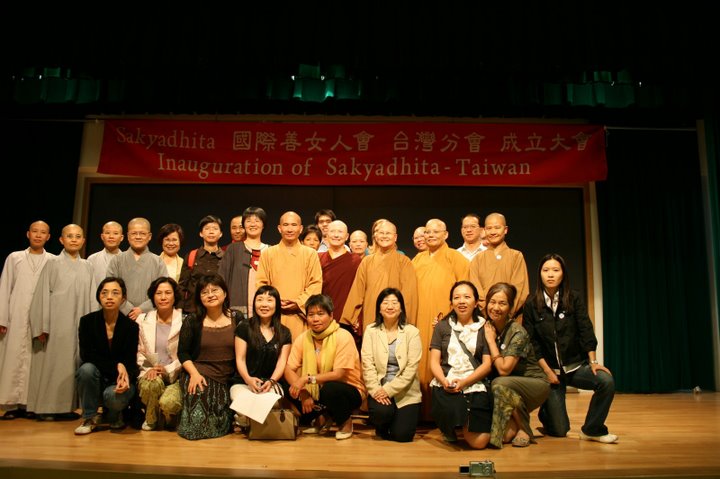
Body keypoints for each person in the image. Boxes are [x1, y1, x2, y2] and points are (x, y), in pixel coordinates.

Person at [523, 253, 618, 443]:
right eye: (546, 270)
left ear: (563, 274)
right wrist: (547, 371)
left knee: (606, 381)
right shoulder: (531, 303)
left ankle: (593, 429)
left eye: (555, 270)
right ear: (539, 274)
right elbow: (531, 343)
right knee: (559, 431)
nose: (550, 275)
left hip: (575, 367)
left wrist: (593, 361)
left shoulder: (574, 298)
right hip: (551, 373)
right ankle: (548, 413)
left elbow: (586, 329)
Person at [27, 224, 96, 420]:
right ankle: (47, 408)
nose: (74, 239)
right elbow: (41, 296)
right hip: (56, 324)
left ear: (83, 240)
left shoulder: (88, 267)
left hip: (79, 323)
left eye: (78, 236)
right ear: (61, 240)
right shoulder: (52, 264)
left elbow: (92, 297)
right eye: (69, 236)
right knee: (54, 365)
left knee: (75, 364)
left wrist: (91, 327)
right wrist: (42, 325)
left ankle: (69, 408)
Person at [284, 294, 366, 440]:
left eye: (320, 314)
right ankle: (321, 417)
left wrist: (306, 379)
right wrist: (303, 393)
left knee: (330, 389)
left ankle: (345, 422)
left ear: (331, 315)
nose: (315, 319)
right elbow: (288, 369)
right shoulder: (304, 338)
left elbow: (338, 374)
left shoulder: (343, 336)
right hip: (317, 390)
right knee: (286, 385)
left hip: (347, 389)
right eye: (311, 315)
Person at [411, 218, 469, 420]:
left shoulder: (455, 257)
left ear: (446, 234)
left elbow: (465, 290)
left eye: (436, 231)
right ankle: (419, 412)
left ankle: (442, 415)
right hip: (419, 319)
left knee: (443, 362)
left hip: (445, 321)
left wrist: (453, 316)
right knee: (419, 364)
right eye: (427, 232)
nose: (431, 235)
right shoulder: (417, 260)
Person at [484, 282, 549, 448]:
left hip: (533, 383)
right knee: (506, 436)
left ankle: (524, 428)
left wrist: (491, 341)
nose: (495, 307)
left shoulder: (517, 332)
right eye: (492, 302)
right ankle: (515, 425)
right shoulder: (488, 326)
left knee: (499, 382)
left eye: (502, 303)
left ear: (511, 307)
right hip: (508, 388)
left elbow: (504, 370)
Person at [428, 281, 493, 448]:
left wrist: (464, 382)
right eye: (456, 297)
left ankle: (463, 423)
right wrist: (444, 382)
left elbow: (487, 364)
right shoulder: (442, 326)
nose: (461, 301)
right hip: (447, 381)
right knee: (451, 409)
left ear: (476, 302)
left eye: (467, 297)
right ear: (451, 303)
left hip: (474, 381)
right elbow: (434, 362)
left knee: (479, 443)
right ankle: (448, 426)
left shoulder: (484, 327)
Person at [0, 220, 53, 419]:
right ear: (28, 234)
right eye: (35, 231)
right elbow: (5, 286)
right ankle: (11, 404)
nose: (38, 235)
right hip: (16, 313)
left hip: (39, 316)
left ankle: (30, 403)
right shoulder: (15, 258)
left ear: (48, 237)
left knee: (35, 358)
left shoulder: (52, 260)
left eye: (43, 232)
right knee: (12, 356)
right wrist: (2, 318)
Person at [176, 274, 239, 440]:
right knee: (197, 417)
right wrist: (194, 374)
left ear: (225, 293)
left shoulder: (237, 318)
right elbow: (183, 353)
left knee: (221, 409)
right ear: (199, 298)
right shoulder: (192, 320)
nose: (210, 295)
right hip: (199, 373)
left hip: (228, 377)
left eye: (215, 290)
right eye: (204, 292)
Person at [74, 277, 139, 434]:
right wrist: (116, 365)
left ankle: (115, 413)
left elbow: (130, 361)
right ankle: (89, 417)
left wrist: (125, 376)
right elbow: (87, 355)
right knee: (86, 369)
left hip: (118, 381)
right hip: (98, 377)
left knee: (113, 396)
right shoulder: (87, 322)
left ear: (123, 298)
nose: (109, 297)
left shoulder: (131, 326)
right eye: (104, 293)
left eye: (115, 293)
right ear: (99, 297)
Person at [361, 288, 421, 442]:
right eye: (385, 303)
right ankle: (382, 425)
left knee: (403, 436)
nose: (390, 306)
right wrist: (375, 390)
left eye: (395, 303)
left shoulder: (412, 332)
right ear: (379, 308)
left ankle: (395, 421)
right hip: (379, 388)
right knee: (382, 413)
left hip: (406, 391)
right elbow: (367, 364)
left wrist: (388, 390)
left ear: (401, 308)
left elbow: (411, 370)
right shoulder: (371, 330)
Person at [341, 219, 418, 338]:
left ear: (395, 237)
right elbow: (357, 291)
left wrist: (405, 321)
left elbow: (409, 295)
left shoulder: (404, 262)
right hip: (371, 314)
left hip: (396, 317)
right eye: (381, 233)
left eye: (388, 233)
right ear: (375, 236)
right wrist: (352, 316)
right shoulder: (367, 261)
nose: (384, 236)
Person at [229, 285, 292, 428]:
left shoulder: (284, 332)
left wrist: (271, 380)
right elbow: (240, 358)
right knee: (242, 402)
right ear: (254, 303)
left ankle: (244, 421)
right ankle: (248, 420)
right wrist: (248, 379)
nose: (264, 304)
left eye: (269, 300)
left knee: (271, 402)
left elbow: (281, 363)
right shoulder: (244, 326)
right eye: (260, 300)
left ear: (276, 304)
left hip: (270, 384)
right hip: (243, 382)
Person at [256, 211, 322, 341]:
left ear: (301, 228)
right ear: (279, 228)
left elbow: (316, 283)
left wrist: (298, 303)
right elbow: (261, 284)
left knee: (299, 355)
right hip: (274, 314)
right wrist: (273, 301)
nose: (290, 229)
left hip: (300, 315)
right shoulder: (268, 254)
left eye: (294, 225)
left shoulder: (310, 254)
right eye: (286, 225)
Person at [136, 276, 184, 431]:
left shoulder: (185, 321)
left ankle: (168, 413)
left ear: (174, 296)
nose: (163, 297)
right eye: (159, 293)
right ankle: (151, 417)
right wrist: (148, 369)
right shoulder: (142, 320)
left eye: (168, 293)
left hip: (176, 375)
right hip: (150, 372)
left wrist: (168, 370)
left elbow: (186, 354)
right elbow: (138, 350)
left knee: (169, 403)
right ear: (152, 296)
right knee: (152, 383)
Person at [469, 212, 529, 318]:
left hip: (511, 318)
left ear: (505, 230)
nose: (493, 232)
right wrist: (488, 312)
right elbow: (476, 290)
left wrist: (506, 313)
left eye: (497, 228)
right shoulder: (477, 259)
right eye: (489, 228)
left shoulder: (516, 256)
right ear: (484, 230)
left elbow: (520, 290)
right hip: (485, 318)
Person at [106, 218, 168, 321]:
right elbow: (111, 288)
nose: (138, 237)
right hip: (120, 315)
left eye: (142, 234)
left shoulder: (158, 262)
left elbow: (163, 290)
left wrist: (142, 309)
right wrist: (127, 309)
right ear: (128, 236)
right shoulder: (117, 260)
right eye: (134, 233)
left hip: (150, 316)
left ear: (149, 236)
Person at [218, 206, 269, 317]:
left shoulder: (271, 250)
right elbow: (222, 279)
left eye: (257, 220)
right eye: (248, 221)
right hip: (238, 310)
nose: (252, 224)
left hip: (266, 309)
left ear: (263, 224)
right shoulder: (233, 249)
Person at [318, 220, 362, 332]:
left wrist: (356, 315)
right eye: (332, 231)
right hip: (321, 314)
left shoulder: (355, 260)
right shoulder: (318, 258)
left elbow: (360, 290)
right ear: (326, 235)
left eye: (340, 232)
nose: (336, 235)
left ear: (347, 236)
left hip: (346, 316)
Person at [178, 215, 224, 314]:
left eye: (215, 229)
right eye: (207, 229)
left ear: (220, 234)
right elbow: (182, 286)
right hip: (192, 311)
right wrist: (178, 310)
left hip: (218, 312)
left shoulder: (226, 258)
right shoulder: (191, 256)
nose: (211, 232)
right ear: (201, 233)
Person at [86, 221, 124, 287]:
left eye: (115, 233)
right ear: (102, 236)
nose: (111, 236)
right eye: (107, 233)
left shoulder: (127, 260)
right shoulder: (92, 259)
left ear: (121, 238)